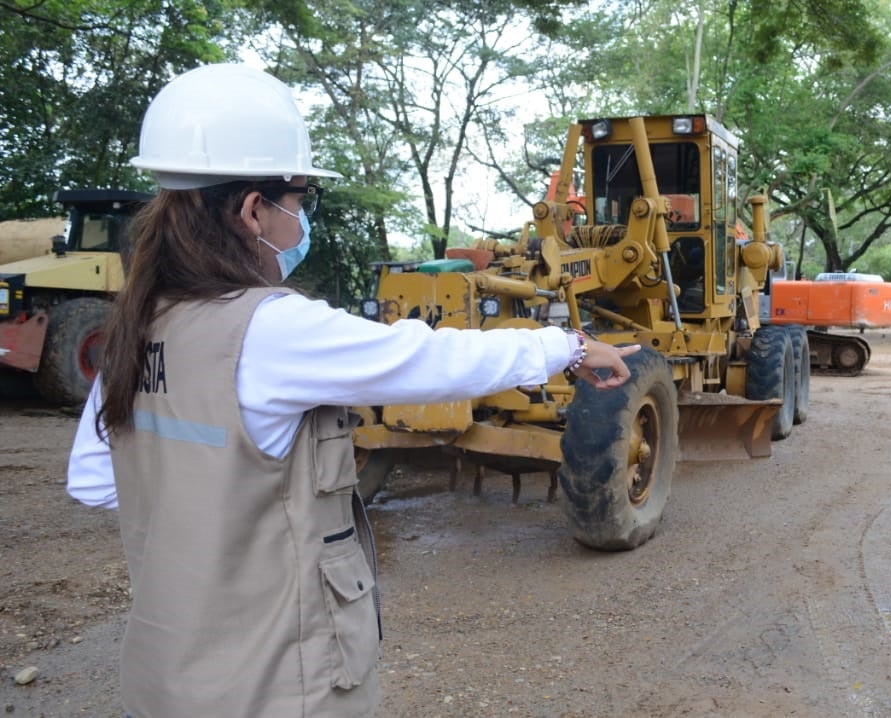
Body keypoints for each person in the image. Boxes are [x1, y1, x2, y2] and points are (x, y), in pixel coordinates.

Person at [65, 63, 639, 718]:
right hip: (276, 685)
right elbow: (429, 358)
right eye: (300, 201)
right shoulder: (270, 327)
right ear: (254, 209)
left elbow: (96, 480)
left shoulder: (136, 326)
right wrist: (564, 345)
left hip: (165, 682)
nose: (299, 222)